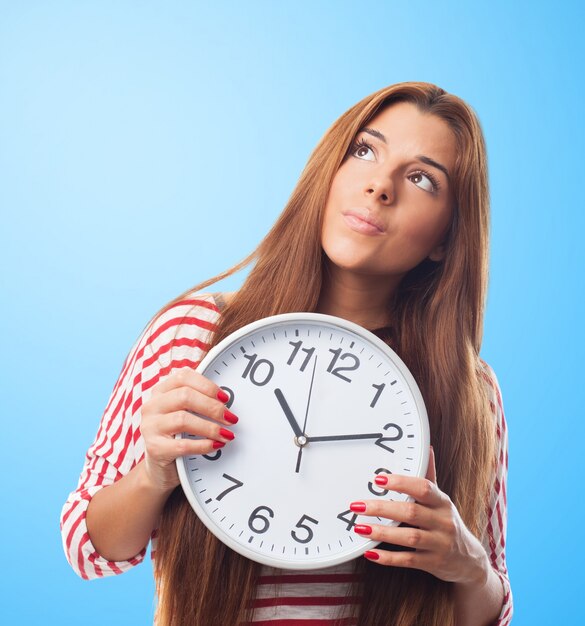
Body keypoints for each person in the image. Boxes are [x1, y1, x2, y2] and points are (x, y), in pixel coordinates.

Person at [60, 81, 512, 626]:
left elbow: (486, 613)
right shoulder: (194, 333)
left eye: (422, 179)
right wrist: (154, 473)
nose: (379, 186)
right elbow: (88, 550)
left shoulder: (470, 392)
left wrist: (469, 566)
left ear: (446, 237)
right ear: (329, 171)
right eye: (364, 150)